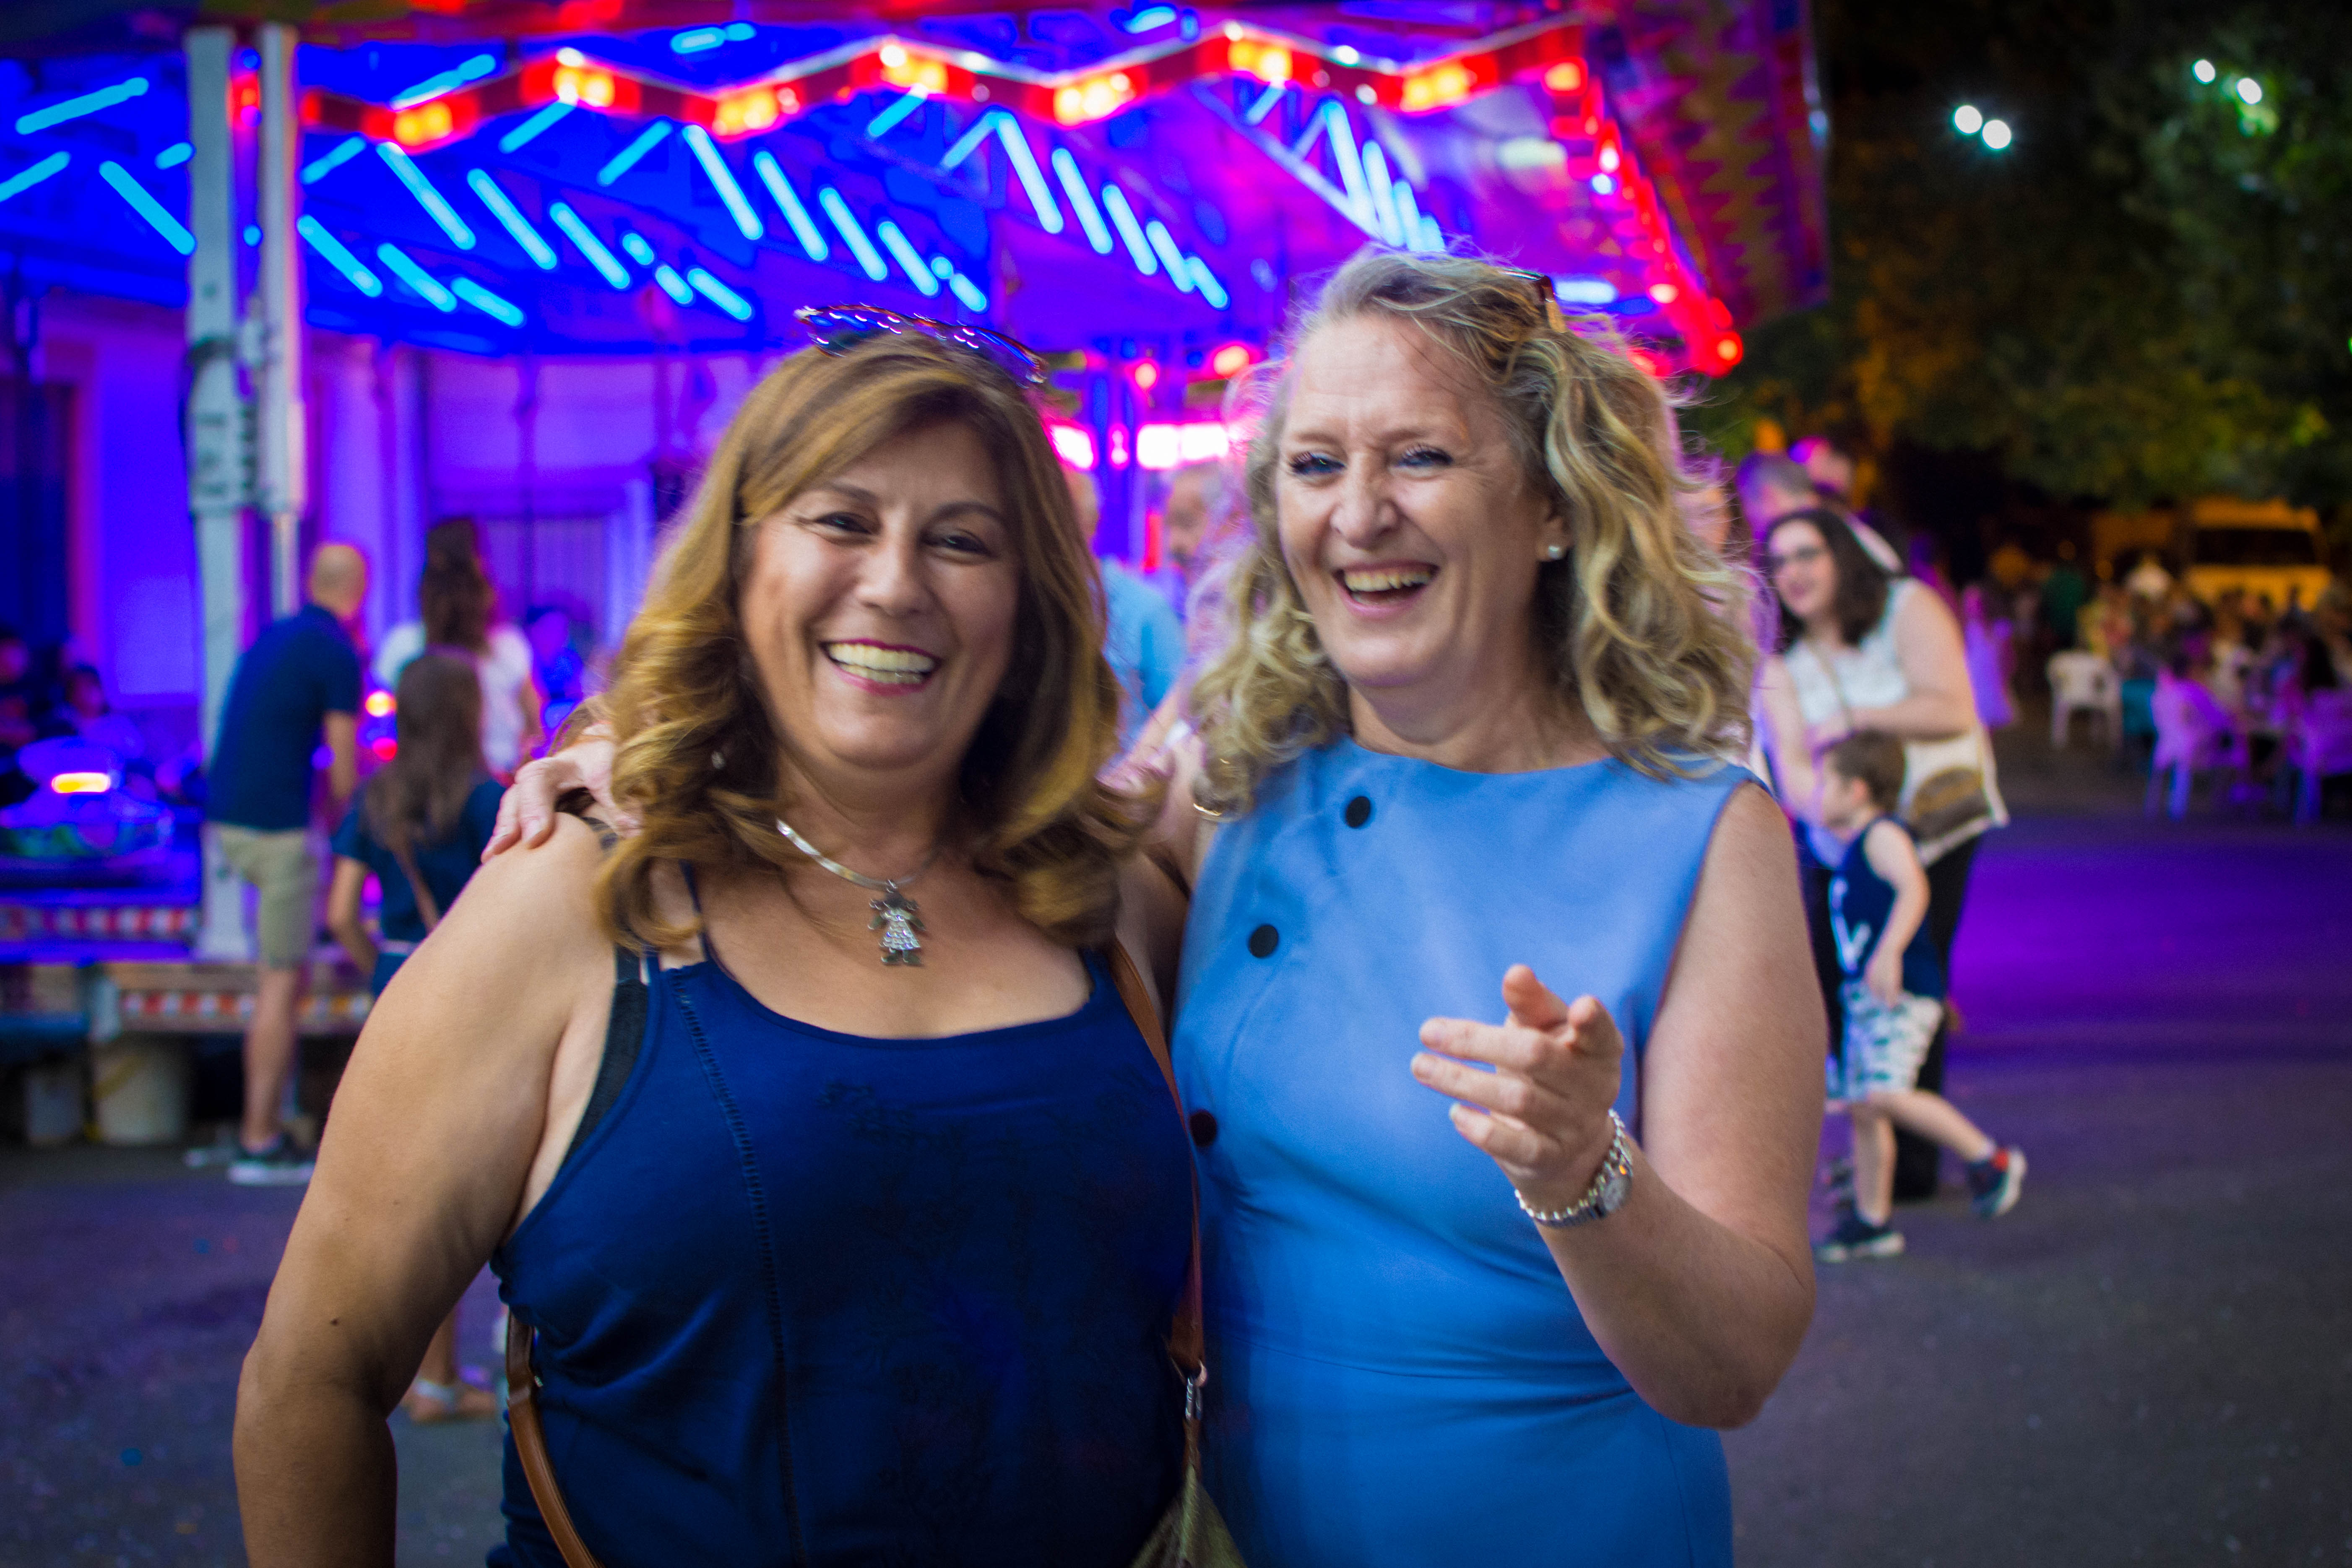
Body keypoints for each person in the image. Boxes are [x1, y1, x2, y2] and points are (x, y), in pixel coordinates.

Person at [501, 256, 1825, 1564]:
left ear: (1552, 507)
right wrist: (654, 754)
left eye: (1419, 458)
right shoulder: (1234, 784)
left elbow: (1735, 1364)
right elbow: (931, 824)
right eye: (1316, 465)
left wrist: (1583, 1173)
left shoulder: (1703, 836)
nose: (1359, 513)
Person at [236, 317, 1197, 1565]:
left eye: (962, 541)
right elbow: (309, 1381)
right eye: (841, 520)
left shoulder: (1112, 899)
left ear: (1030, 606)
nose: (896, 582)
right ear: (741, 563)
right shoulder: (569, 903)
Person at [1757, 506, 2006, 1201]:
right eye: (1778, 561)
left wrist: (1857, 719)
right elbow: (1792, 765)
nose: (1793, 572)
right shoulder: (1781, 659)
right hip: (1843, 850)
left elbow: (1952, 708)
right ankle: (1879, 1152)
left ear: (1842, 554)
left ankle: (1915, 1166)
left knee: (1911, 987)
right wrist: (1824, 808)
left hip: (1936, 827)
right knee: (1843, 993)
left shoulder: (1907, 607)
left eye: (1807, 553)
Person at [324, 651, 507, 1425]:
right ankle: (437, 1382)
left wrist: (383, 967)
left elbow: (340, 913)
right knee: (455, 1196)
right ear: (468, 712)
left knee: (403, 1193)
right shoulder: (485, 796)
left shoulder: (375, 793)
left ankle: (420, 1374)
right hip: (467, 995)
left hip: (393, 990)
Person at [1808, 732, 2024, 1262]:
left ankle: (1989, 1158)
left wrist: (1889, 951)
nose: (1816, 792)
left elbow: (1914, 886)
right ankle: (1871, 1222)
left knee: (1884, 1094)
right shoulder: (1854, 847)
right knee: (1865, 1107)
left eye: (1825, 781)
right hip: (1869, 997)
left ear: (1856, 790)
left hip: (1901, 993)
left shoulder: (1883, 835)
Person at [207, 543, 367, 1186]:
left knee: (274, 975)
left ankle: (271, 1119)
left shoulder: (277, 634)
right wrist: (361, 839)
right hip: (278, 833)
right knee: (282, 983)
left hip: (230, 823)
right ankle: (260, 1140)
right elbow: (346, 770)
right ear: (360, 590)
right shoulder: (335, 650)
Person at [375, 518, 544, 777]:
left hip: (419, 786)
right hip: (496, 780)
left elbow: (379, 726)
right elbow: (534, 726)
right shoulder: (508, 646)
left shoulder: (402, 646)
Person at [1068, 464, 1183, 748]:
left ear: (1090, 524)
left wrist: (1135, 766)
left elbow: (1182, 718)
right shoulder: (1023, 605)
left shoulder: (1146, 609)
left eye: (1055, 517)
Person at [1735, 448, 1902, 573]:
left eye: (1748, 508)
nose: (1749, 522)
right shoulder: (1834, 519)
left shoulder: (1817, 531)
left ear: (1769, 497)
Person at [1960, 584, 2017, 730]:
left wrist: (2005, 677)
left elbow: (2008, 657)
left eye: (1975, 603)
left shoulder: (1999, 628)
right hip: (1970, 677)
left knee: (1989, 719)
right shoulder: (1964, 628)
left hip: (1991, 679)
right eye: (1968, 603)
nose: (1971, 607)